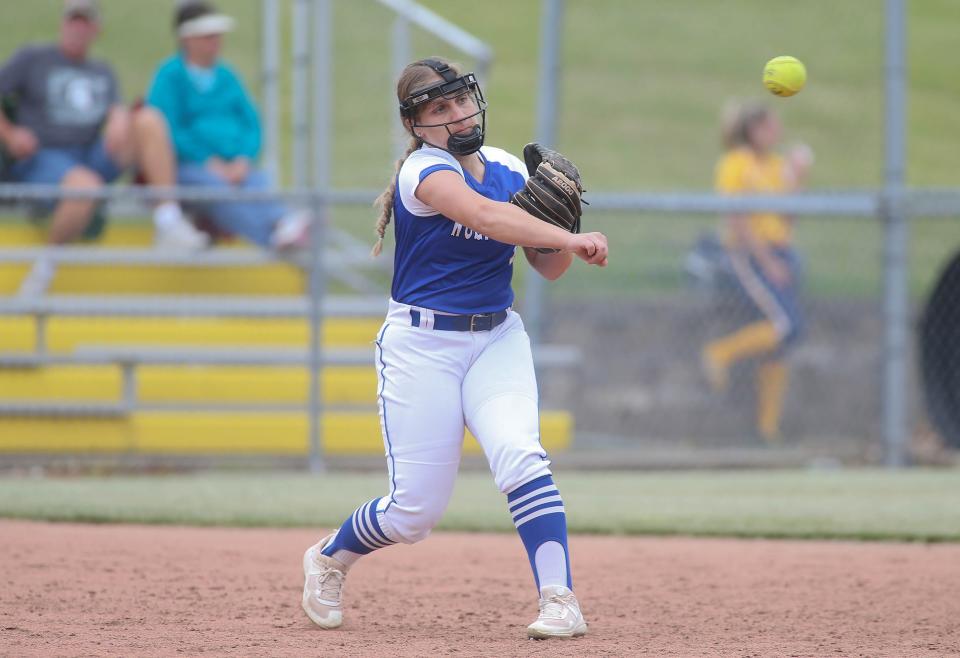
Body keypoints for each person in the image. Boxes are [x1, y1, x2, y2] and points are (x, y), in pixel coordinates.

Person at [300, 57, 608, 639]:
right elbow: (486, 217)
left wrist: (561, 236)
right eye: (438, 109)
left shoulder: (507, 168)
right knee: (414, 511)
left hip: (495, 337)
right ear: (416, 126)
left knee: (521, 454)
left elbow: (550, 270)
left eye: (462, 100)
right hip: (422, 346)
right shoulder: (424, 171)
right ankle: (329, 557)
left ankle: (559, 598)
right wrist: (570, 233)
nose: (458, 113)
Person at [0, 0, 208, 295]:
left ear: (96, 30)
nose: (77, 29)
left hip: (89, 154)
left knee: (148, 120)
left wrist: (120, 118)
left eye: (85, 23)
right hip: (43, 156)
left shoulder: (102, 71)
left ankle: (168, 219)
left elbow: (114, 111)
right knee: (85, 185)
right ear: (63, 23)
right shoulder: (33, 58)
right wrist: (10, 135)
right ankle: (44, 268)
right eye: (73, 20)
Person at [144, 1, 310, 252]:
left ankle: (282, 223)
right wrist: (208, 161)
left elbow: (251, 123)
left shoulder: (226, 75)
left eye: (216, 36)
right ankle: (273, 233)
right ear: (188, 39)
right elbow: (169, 129)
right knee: (215, 189)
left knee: (256, 180)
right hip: (190, 167)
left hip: (234, 164)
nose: (216, 42)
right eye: (207, 36)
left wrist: (243, 158)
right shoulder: (169, 75)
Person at [701, 101, 813, 443]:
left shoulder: (777, 166)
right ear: (753, 131)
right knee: (786, 325)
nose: (776, 132)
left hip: (781, 252)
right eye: (769, 126)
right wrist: (767, 262)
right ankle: (718, 354)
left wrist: (797, 178)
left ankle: (768, 429)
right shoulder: (736, 163)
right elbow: (739, 219)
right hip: (750, 255)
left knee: (785, 340)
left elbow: (787, 218)